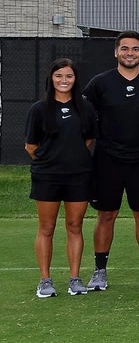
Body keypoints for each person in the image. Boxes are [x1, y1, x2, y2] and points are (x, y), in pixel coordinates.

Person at [83, 31, 139, 291]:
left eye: (135, 49)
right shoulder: (99, 83)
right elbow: (88, 117)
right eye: (124, 49)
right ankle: (99, 272)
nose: (129, 53)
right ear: (116, 52)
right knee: (106, 214)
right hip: (107, 160)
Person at [27, 58, 96, 298]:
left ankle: (75, 279)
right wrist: (51, 161)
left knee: (75, 226)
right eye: (59, 76)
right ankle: (45, 280)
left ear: (75, 79)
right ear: (51, 79)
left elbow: (88, 140)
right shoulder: (39, 108)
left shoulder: (85, 108)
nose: (63, 81)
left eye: (68, 76)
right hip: (47, 177)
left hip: (79, 176)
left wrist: (72, 158)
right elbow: (31, 146)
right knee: (46, 227)